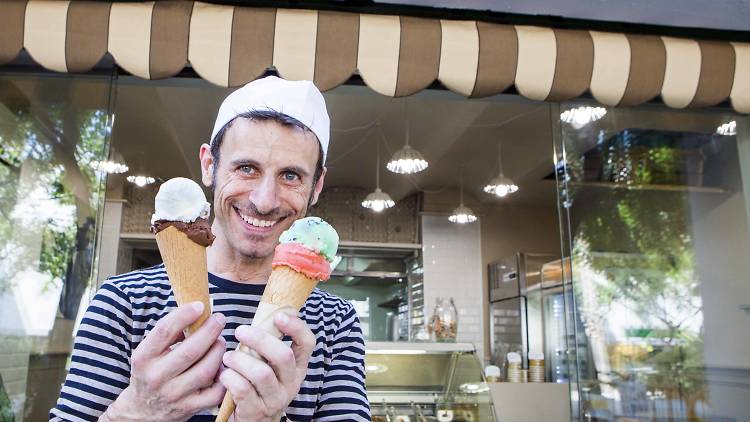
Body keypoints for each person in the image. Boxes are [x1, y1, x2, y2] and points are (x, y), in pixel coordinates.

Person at [50, 76, 371, 421]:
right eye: (246, 168)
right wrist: (132, 414)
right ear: (209, 164)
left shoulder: (336, 323)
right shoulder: (123, 303)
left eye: (291, 175)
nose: (264, 201)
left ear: (317, 185)